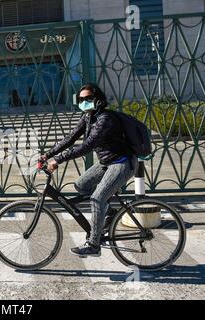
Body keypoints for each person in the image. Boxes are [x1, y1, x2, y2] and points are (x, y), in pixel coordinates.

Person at [39, 83, 138, 257]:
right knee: (81, 185)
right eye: (81, 99)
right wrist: (47, 155)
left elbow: (87, 146)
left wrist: (58, 160)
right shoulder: (88, 117)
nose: (84, 101)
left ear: (98, 99)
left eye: (88, 98)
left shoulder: (105, 119)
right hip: (106, 162)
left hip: (122, 162)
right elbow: (70, 138)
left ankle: (94, 245)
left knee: (97, 198)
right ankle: (109, 213)